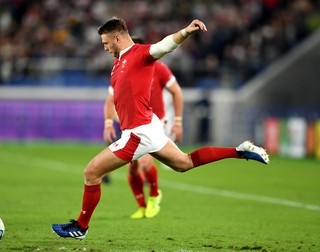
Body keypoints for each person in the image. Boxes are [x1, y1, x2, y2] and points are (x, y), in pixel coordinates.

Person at [51, 17, 269, 240]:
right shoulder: (118, 63)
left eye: (106, 42)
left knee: (91, 172)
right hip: (149, 127)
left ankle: (81, 226)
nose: (104, 47)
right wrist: (112, 119)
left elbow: (164, 45)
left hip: (138, 133)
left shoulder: (141, 54)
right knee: (183, 163)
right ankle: (240, 151)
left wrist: (185, 31)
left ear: (117, 37)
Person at [103, 35, 184, 219]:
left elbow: (176, 92)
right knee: (132, 169)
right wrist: (108, 122)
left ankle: (155, 194)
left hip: (155, 123)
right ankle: (142, 205)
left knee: (146, 162)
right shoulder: (121, 67)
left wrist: (178, 122)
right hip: (134, 125)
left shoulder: (158, 68)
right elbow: (110, 99)